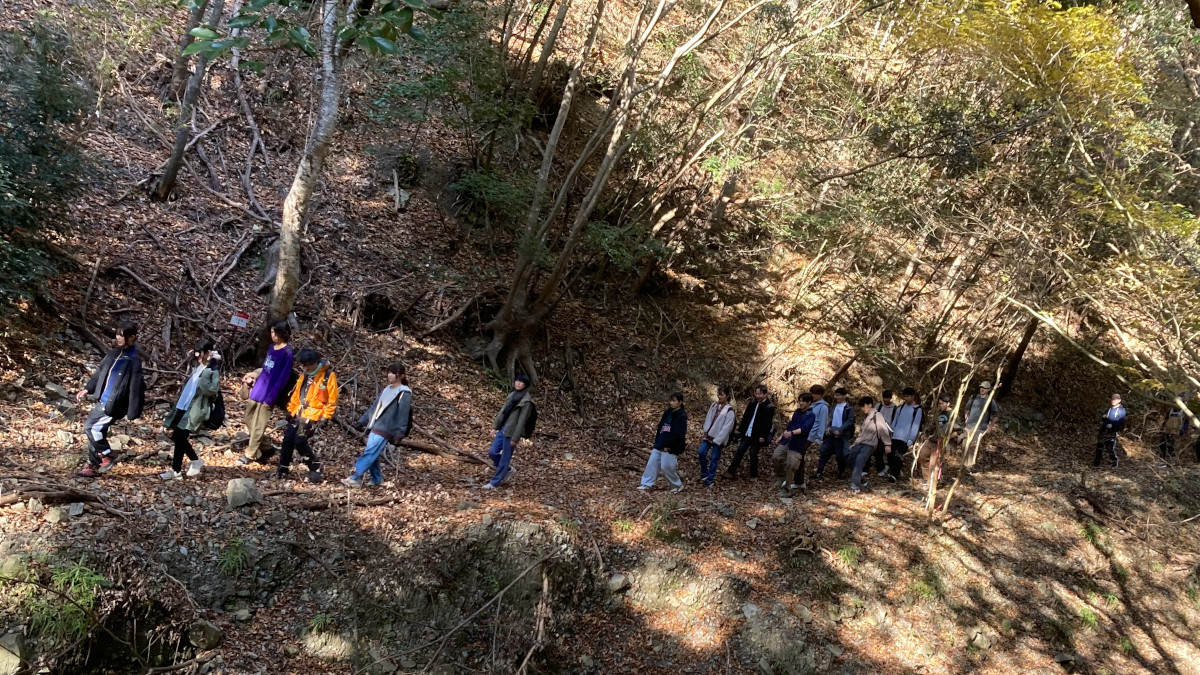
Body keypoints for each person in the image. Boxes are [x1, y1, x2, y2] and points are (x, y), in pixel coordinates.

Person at [75, 321, 145, 478]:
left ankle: (107, 455)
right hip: (102, 400)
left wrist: (133, 410)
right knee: (96, 432)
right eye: (118, 334)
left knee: (91, 428)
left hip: (114, 405)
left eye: (123, 335)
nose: (119, 338)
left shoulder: (133, 360)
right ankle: (93, 465)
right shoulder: (113, 354)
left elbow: (136, 387)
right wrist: (87, 389)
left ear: (132, 337)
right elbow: (100, 373)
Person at [343, 364, 412, 488]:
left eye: (393, 372)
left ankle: (356, 478)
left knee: (369, 452)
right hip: (376, 425)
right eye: (389, 372)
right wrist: (362, 421)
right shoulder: (387, 389)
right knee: (372, 453)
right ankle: (376, 479)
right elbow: (375, 407)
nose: (390, 375)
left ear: (401, 376)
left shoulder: (404, 393)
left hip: (387, 428)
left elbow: (403, 414)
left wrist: (400, 433)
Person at [161, 341, 222, 480]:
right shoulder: (200, 367)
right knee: (178, 436)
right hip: (184, 406)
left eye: (199, 352)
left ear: (208, 353)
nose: (197, 355)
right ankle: (190, 463)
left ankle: (178, 469)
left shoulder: (212, 371)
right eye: (196, 352)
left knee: (179, 436)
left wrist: (213, 367)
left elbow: (210, 390)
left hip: (194, 409)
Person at [237, 321, 294, 466]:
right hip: (258, 389)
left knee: (259, 425)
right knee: (248, 419)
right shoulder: (271, 348)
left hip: (269, 393)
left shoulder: (287, 353)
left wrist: (271, 397)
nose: (272, 335)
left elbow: (283, 378)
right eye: (272, 332)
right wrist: (253, 376)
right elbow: (265, 368)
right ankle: (266, 447)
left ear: (283, 333)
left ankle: (250, 454)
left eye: (275, 332)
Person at [277, 349, 337, 481]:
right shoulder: (305, 374)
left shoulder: (327, 376)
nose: (304, 368)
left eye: (307, 365)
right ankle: (283, 468)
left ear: (315, 363)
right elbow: (297, 393)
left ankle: (315, 467)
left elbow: (332, 399)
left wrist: (326, 416)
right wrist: (291, 409)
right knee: (288, 440)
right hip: (299, 412)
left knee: (300, 441)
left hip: (314, 414)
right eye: (303, 365)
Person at [483, 375, 534, 489]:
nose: (518, 383)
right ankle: (508, 470)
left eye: (521, 382)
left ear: (525, 385)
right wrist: (495, 427)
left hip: (511, 432)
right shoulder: (512, 395)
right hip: (503, 429)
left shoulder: (527, 402)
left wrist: (515, 439)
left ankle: (494, 482)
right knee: (492, 452)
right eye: (517, 381)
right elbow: (503, 412)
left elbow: (522, 421)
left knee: (505, 458)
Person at [639, 392, 688, 493]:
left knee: (666, 466)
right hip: (660, 442)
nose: (672, 403)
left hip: (672, 447)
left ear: (680, 402)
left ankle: (677, 484)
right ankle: (646, 483)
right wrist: (658, 441)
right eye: (671, 400)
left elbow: (679, 433)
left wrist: (669, 446)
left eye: (674, 401)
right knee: (652, 463)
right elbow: (661, 427)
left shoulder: (682, 415)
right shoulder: (668, 412)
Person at [724, 385, 775, 480]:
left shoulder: (769, 407)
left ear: (765, 394)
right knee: (740, 451)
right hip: (748, 432)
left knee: (753, 453)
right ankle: (730, 471)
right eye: (756, 393)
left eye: (759, 394)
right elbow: (746, 418)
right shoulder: (752, 403)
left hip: (757, 435)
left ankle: (753, 474)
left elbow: (767, 423)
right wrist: (740, 430)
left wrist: (763, 436)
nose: (757, 395)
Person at [847, 396, 892, 494]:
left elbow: (883, 430)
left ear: (869, 405)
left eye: (863, 406)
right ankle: (861, 479)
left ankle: (855, 486)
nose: (862, 409)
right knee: (850, 459)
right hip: (861, 443)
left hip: (870, 445)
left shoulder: (877, 415)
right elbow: (861, 433)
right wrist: (854, 444)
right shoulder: (867, 417)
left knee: (859, 461)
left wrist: (887, 444)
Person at [772, 393, 816, 491]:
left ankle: (787, 488)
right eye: (800, 401)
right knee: (776, 456)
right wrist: (782, 436)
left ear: (809, 403)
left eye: (803, 401)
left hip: (798, 443)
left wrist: (792, 433)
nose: (801, 403)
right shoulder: (797, 412)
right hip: (788, 440)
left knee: (791, 465)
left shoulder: (811, 415)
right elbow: (790, 425)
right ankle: (781, 477)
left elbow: (805, 429)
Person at [914, 394, 958, 491]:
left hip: (940, 442)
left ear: (948, 404)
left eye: (942, 404)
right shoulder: (938, 413)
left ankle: (932, 484)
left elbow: (959, 430)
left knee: (933, 464)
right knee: (922, 456)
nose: (940, 405)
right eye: (939, 404)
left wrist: (946, 438)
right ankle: (926, 479)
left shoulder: (953, 414)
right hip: (931, 439)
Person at [697, 387, 736, 487]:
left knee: (714, 458)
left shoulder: (729, 411)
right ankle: (704, 473)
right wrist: (705, 430)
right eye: (718, 394)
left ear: (727, 396)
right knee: (701, 452)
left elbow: (727, 428)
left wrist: (718, 440)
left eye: (722, 394)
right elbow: (708, 418)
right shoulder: (714, 405)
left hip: (718, 438)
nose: (719, 396)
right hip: (708, 435)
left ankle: (710, 479)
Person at [813, 388, 854, 480]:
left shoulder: (848, 408)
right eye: (836, 395)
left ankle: (841, 472)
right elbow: (830, 417)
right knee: (824, 452)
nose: (837, 397)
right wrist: (828, 427)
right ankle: (819, 472)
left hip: (841, 435)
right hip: (831, 433)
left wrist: (840, 430)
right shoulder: (834, 406)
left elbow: (850, 421)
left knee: (840, 455)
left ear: (844, 396)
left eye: (839, 395)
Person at [886, 387, 923, 483]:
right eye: (904, 396)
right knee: (890, 454)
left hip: (905, 438)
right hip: (895, 435)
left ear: (913, 396)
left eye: (907, 396)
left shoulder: (917, 409)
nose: (905, 398)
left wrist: (911, 439)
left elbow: (916, 425)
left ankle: (893, 476)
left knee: (899, 455)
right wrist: (891, 431)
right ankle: (895, 471)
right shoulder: (901, 407)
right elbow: (895, 421)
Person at [962, 381, 999, 473]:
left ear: (988, 390)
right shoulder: (974, 397)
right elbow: (967, 408)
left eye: (985, 388)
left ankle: (968, 467)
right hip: (969, 425)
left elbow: (996, 415)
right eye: (981, 387)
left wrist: (990, 426)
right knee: (964, 445)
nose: (982, 389)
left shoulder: (990, 401)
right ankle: (964, 465)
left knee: (972, 446)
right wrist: (966, 417)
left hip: (980, 427)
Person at [799, 385, 829, 490]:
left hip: (812, 435)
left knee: (800, 454)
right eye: (811, 393)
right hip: (803, 433)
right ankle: (799, 479)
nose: (812, 395)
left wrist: (819, 438)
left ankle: (800, 479)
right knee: (798, 455)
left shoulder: (823, 407)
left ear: (820, 395)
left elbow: (822, 423)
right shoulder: (810, 404)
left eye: (814, 394)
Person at [869, 390, 899, 475]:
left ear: (890, 398)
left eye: (887, 398)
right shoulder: (879, 406)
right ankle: (881, 467)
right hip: (877, 432)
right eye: (884, 398)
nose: (885, 400)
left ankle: (892, 468)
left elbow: (895, 421)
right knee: (877, 451)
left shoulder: (895, 408)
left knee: (889, 452)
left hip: (889, 433)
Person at [1093, 394, 1125, 468]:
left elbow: (1121, 421)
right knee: (1099, 446)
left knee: (1110, 447)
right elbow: (1104, 419)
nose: (1113, 401)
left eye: (1115, 399)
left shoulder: (1121, 410)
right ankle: (1096, 462)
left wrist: (1113, 425)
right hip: (1104, 430)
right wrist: (1104, 417)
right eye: (1112, 399)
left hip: (1112, 431)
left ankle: (1114, 461)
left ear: (1119, 400)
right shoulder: (1109, 409)